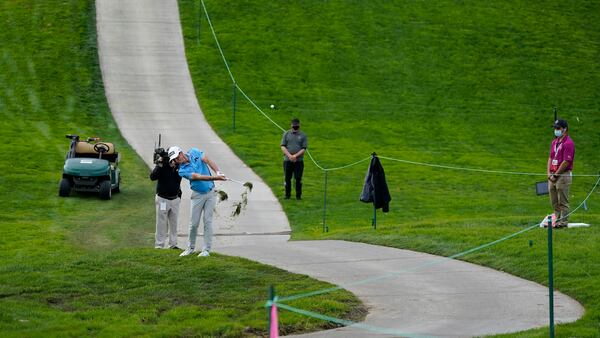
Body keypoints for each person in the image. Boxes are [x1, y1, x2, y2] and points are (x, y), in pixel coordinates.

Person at [168, 146, 226, 257]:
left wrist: (218, 172)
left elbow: (207, 159)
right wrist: (216, 178)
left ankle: (206, 250)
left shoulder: (194, 152)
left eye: (176, 157)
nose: (176, 160)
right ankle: (190, 248)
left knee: (207, 221)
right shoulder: (182, 171)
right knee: (194, 223)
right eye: (174, 159)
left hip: (210, 192)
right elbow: (198, 177)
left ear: (181, 152)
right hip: (197, 195)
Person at [150, 151, 182, 249]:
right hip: (162, 199)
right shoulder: (162, 165)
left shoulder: (179, 166)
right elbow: (152, 177)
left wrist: (175, 166)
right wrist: (159, 164)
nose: (174, 160)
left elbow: (179, 178)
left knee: (174, 223)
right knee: (161, 223)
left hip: (175, 198)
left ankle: (173, 244)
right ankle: (159, 245)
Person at [547, 119, 575, 228]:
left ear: (565, 129)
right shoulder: (554, 142)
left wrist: (555, 175)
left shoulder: (568, 143)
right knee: (554, 201)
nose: (556, 130)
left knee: (563, 201)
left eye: (558, 128)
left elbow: (566, 162)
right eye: (555, 128)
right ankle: (557, 219)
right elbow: (550, 158)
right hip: (552, 174)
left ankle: (563, 222)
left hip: (563, 175)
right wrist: (549, 173)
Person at [280, 118, 308, 200]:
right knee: (287, 178)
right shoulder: (286, 134)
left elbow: (304, 148)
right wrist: (289, 156)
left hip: (298, 161)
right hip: (287, 161)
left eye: (296, 126)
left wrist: (295, 156)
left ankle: (298, 196)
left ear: (299, 125)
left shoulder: (303, 135)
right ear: (291, 125)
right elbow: (282, 146)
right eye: (294, 126)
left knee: (298, 178)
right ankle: (287, 195)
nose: (295, 127)